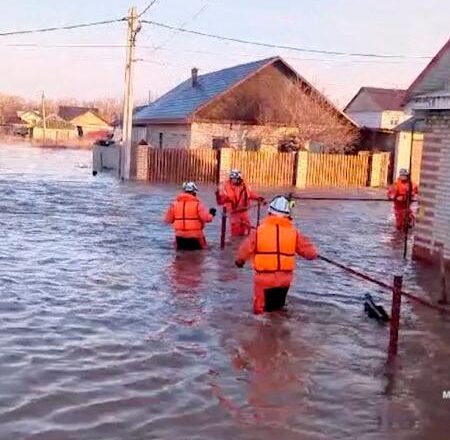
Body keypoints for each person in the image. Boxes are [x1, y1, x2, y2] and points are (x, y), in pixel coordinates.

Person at [235, 195, 318, 314]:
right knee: (278, 310)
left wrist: (240, 261)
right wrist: (314, 254)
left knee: (261, 312)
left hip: (264, 279)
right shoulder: (294, 233)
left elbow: (245, 250)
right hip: (285, 280)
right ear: (288, 215)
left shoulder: (258, 231)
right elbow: (311, 253)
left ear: (269, 212)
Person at [164, 181, 216, 250]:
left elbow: (167, 220)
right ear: (193, 192)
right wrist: (211, 214)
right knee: (198, 257)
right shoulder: (198, 205)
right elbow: (207, 219)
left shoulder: (174, 205)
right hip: (195, 237)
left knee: (180, 258)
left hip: (179, 237)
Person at [216, 169, 264, 236]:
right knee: (235, 233)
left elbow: (250, 194)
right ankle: (235, 245)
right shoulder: (226, 187)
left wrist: (258, 198)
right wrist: (218, 196)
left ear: (239, 178)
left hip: (244, 211)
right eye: (232, 178)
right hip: (234, 213)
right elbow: (221, 200)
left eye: (235, 179)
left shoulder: (245, 186)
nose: (233, 180)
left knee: (248, 230)